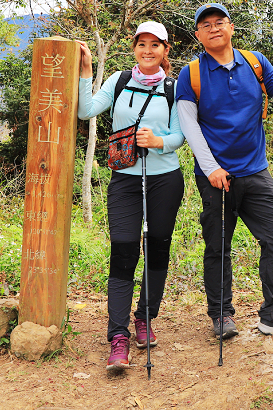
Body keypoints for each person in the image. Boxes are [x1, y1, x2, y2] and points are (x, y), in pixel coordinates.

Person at [175, 2, 273, 341]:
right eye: (206, 25)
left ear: (231, 27)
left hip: (255, 171)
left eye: (219, 22)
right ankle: (222, 315)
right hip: (215, 176)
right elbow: (188, 125)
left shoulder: (255, 62)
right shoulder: (191, 74)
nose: (213, 28)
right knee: (218, 246)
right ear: (198, 34)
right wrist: (211, 168)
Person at [77, 21, 185, 371]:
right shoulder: (119, 81)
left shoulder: (175, 87)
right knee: (123, 251)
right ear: (134, 48)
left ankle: (145, 318)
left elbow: (181, 135)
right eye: (142, 44)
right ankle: (118, 335)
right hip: (124, 181)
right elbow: (86, 110)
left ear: (166, 50)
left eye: (156, 45)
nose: (148, 50)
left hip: (165, 180)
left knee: (157, 248)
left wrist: (159, 141)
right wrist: (86, 72)